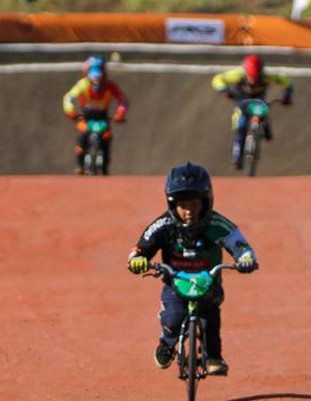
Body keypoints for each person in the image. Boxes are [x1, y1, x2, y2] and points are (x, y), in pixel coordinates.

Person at [126, 162, 259, 375]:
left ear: (206, 202)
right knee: (173, 318)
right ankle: (167, 342)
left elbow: (239, 244)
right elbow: (141, 247)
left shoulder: (217, 224)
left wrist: (246, 258)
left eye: (195, 204)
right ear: (172, 204)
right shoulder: (163, 225)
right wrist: (137, 259)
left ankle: (213, 356)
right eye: (183, 205)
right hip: (175, 283)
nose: (189, 211)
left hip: (209, 283)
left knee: (210, 320)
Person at [211, 54, 293, 170]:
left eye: (255, 78)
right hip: (242, 101)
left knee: (263, 111)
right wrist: (223, 89)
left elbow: (287, 82)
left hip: (258, 101)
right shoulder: (237, 75)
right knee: (241, 126)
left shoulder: (267, 77)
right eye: (250, 78)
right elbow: (218, 79)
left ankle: (265, 127)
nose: (252, 81)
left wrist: (287, 95)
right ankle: (237, 157)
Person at [62, 55, 129, 175]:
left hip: (103, 119)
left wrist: (120, 113)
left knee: (107, 140)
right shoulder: (82, 85)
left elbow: (123, 99)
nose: (97, 81)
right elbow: (68, 98)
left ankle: (105, 167)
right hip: (86, 119)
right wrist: (70, 111)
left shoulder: (110, 86)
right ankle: (80, 166)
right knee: (81, 141)